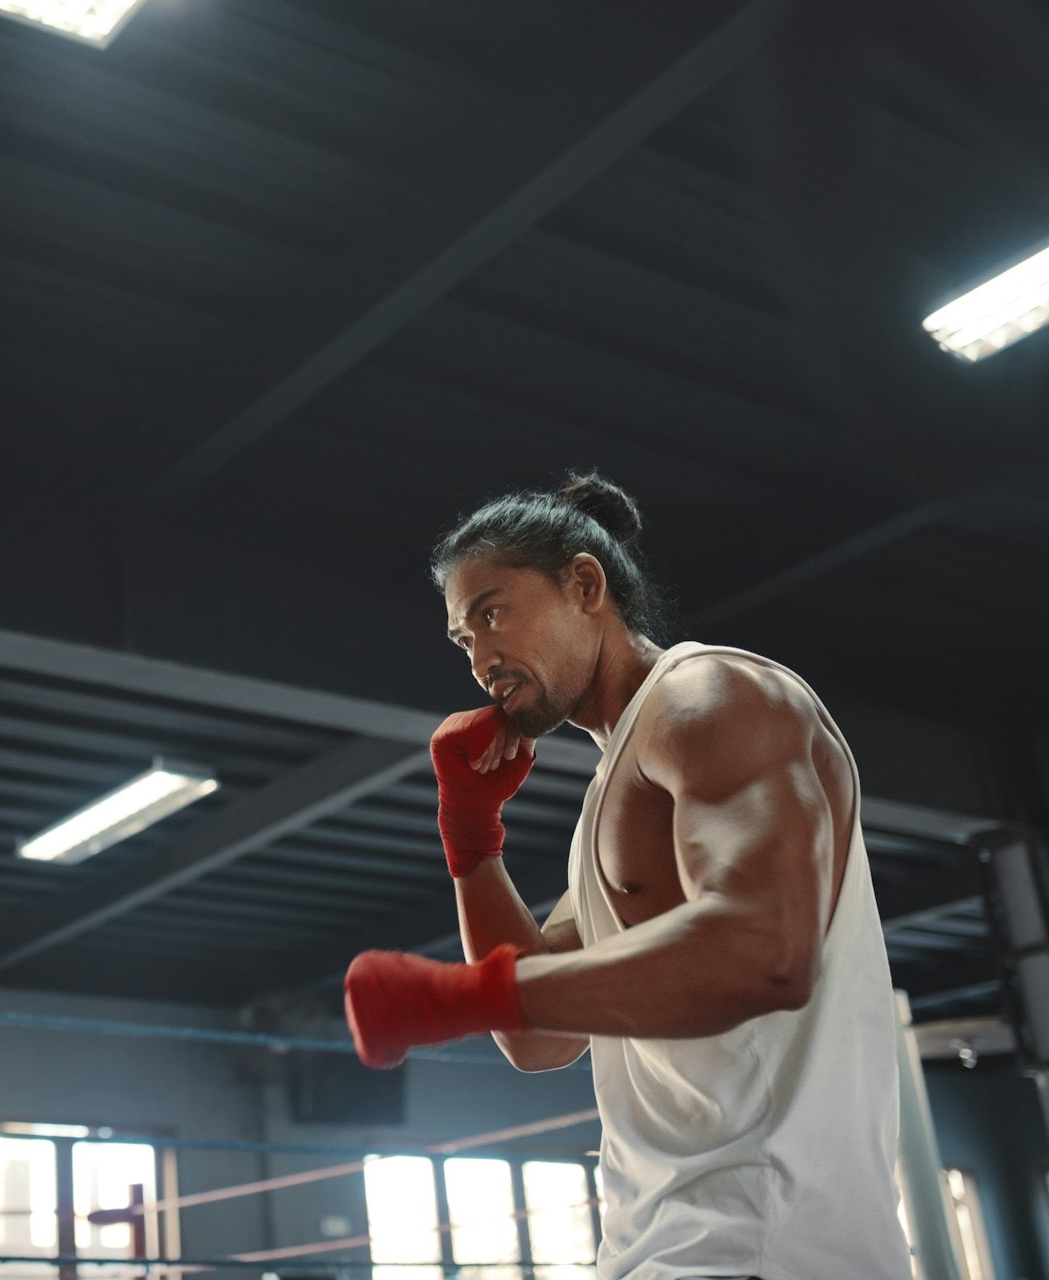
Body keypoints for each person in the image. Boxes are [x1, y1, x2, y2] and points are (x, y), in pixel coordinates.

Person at [343, 473, 910, 1279]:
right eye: (464, 640)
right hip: (660, 1244)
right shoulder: (618, 784)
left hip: (764, 1241)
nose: (482, 658)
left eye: (492, 614)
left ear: (584, 585)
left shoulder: (712, 696)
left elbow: (765, 951)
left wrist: (453, 999)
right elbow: (538, 1038)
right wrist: (471, 839)